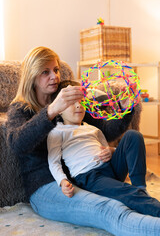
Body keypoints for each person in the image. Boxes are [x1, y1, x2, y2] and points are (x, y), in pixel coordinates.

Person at [6, 46, 160, 236]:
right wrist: (52, 110)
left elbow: (105, 130)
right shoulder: (22, 108)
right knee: (111, 209)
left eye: (55, 70)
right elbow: (17, 144)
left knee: (126, 196)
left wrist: (125, 108)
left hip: (88, 176)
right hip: (47, 188)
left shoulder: (70, 99)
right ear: (31, 77)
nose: (54, 76)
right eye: (45, 72)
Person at [47, 85, 160, 217]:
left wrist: (111, 151)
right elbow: (53, 162)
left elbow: (106, 149)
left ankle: (140, 187)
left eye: (81, 102)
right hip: (89, 176)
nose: (78, 106)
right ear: (59, 109)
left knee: (133, 135)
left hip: (110, 169)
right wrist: (62, 181)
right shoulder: (57, 132)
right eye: (72, 103)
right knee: (128, 192)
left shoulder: (92, 128)